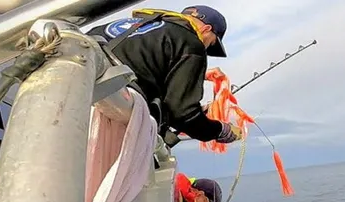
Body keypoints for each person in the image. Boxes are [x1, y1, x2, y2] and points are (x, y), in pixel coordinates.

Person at [87, 5, 243, 145]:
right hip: (108, 120)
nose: (206, 49)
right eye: (211, 44)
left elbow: (136, 62)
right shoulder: (190, 42)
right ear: (206, 29)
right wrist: (221, 131)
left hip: (76, 94)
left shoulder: (130, 25)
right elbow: (184, 116)